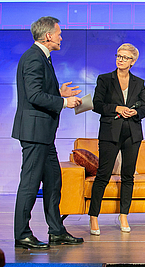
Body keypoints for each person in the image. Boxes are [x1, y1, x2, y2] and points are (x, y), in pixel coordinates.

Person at [12, 16, 84, 249]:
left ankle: (56, 231)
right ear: (48, 36)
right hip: (34, 133)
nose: (61, 37)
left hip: (44, 134)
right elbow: (33, 96)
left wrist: (58, 91)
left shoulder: (43, 58)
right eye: (59, 33)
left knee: (54, 181)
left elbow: (40, 90)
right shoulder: (33, 58)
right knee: (30, 184)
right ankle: (22, 234)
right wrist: (64, 103)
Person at [89, 43, 145, 235]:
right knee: (103, 175)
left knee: (128, 176)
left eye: (124, 57)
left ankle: (124, 215)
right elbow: (97, 104)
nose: (120, 60)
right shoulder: (105, 79)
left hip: (132, 133)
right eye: (118, 56)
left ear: (133, 61)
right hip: (110, 132)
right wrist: (116, 108)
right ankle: (94, 217)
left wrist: (135, 112)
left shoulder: (139, 82)